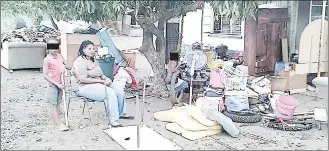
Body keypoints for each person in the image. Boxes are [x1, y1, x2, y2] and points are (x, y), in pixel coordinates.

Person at [70, 40, 132, 127]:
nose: (92, 51)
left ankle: (121, 113)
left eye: (93, 49)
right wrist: (101, 81)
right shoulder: (80, 61)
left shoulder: (94, 61)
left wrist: (106, 79)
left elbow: (101, 74)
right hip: (83, 87)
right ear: (83, 50)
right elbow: (82, 79)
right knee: (110, 93)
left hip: (98, 83)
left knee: (119, 90)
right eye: (89, 49)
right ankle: (113, 120)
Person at [43, 44, 69, 131]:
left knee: (58, 103)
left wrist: (64, 66)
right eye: (53, 48)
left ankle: (58, 122)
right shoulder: (47, 59)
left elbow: (69, 65)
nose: (55, 50)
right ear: (48, 48)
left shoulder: (60, 56)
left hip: (61, 83)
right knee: (53, 104)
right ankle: (58, 124)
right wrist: (57, 84)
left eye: (56, 47)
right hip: (53, 85)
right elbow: (45, 75)